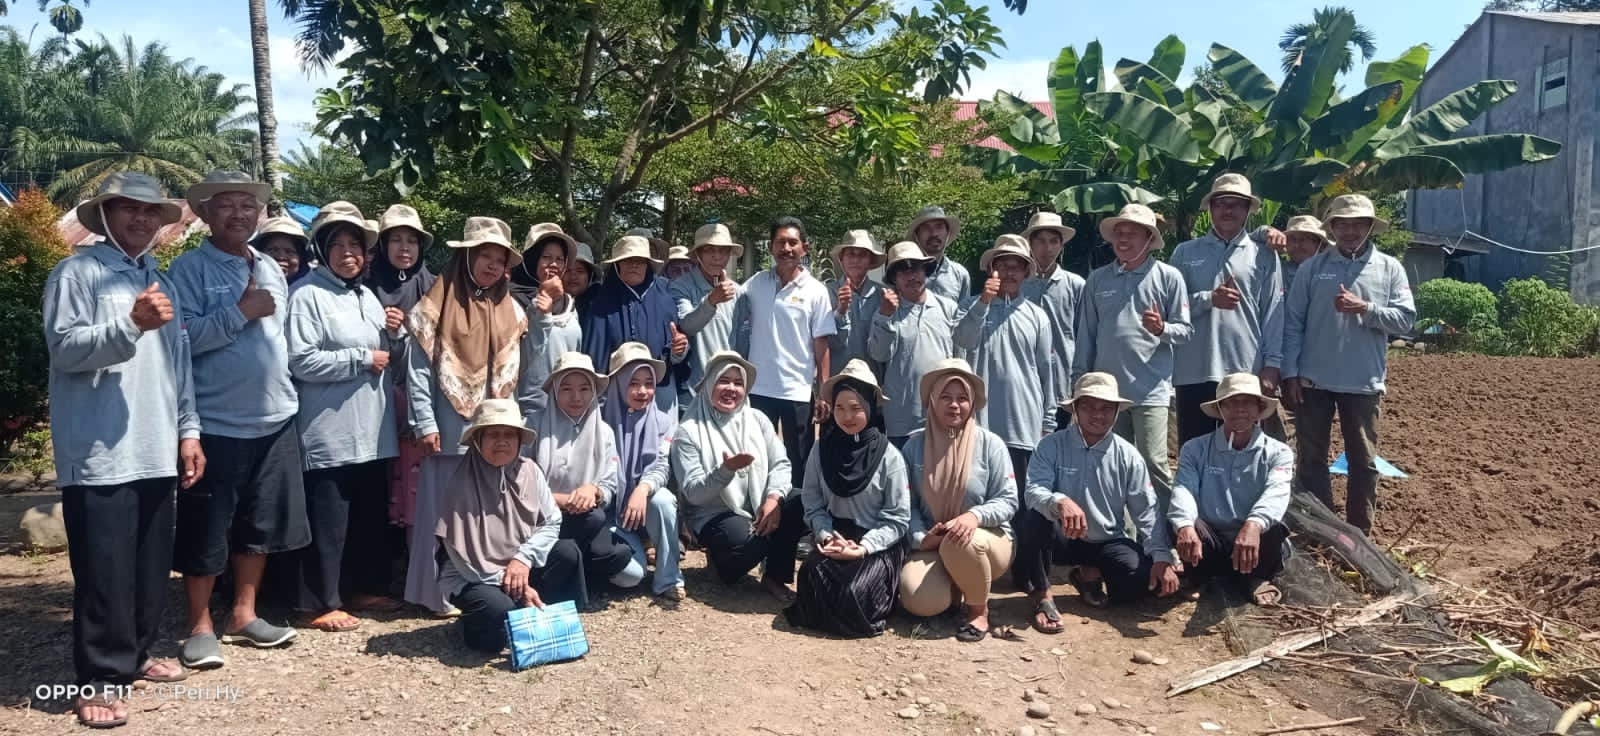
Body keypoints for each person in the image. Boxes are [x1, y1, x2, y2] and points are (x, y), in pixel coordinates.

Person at [45, 172, 204, 728]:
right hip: (99, 449)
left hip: (155, 444)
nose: (141, 219)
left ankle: (135, 653)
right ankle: (97, 677)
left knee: (149, 565)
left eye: (150, 211)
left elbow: (179, 366)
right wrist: (130, 324)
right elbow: (65, 349)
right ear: (106, 216)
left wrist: (189, 430)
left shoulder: (161, 279)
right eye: (128, 209)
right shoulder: (77, 273)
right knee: (104, 569)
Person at [166, 171, 307, 668]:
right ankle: (199, 624)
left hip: (275, 416)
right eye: (226, 205)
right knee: (207, 525)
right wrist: (240, 312)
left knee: (259, 523)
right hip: (216, 420)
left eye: (248, 206)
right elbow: (179, 341)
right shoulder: (187, 269)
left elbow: (280, 339)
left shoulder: (269, 266)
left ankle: (243, 614)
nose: (239, 214)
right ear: (205, 213)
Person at [279, 202, 401, 632]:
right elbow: (300, 361)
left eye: (356, 245)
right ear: (322, 250)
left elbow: (388, 356)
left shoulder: (367, 296)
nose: (349, 253)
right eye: (339, 245)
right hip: (328, 430)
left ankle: (362, 588)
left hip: (372, 428)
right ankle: (317, 602)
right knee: (328, 517)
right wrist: (360, 359)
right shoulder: (306, 295)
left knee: (366, 514)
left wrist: (395, 334)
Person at [403, 216, 531, 616]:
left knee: (481, 515)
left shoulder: (511, 309)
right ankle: (432, 593)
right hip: (447, 428)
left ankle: (479, 588)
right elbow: (419, 371)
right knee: (438, 513)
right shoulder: (435, 305)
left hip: (492, 433)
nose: (492, 265)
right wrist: (425, 422)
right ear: (467, 257)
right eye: (484, 255)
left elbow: (516, 375)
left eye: (499, 259)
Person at [1282, 194, 1415, 534]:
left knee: (1363, 461)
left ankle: (1359, 534)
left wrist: (1366, 309)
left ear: (1370, 227)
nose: (1350, 231)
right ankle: (1321, 529)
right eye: (1343, 224)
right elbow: (1293, 323)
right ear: (1332, 228)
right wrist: (1290, 373)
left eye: (1358, 224)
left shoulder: (1389, 268)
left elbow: (1405, 319)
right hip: (1313, 381)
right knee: (1311, 459)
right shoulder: (1312, 268)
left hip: (1363, 380)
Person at [1019, 373, 1177, 630]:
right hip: (1063, 536)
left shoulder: (1128, 455)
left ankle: (1088, 574)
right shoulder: (1050, 445)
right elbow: (1033, 491)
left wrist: (1161, 555)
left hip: (1106, 539)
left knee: (1143, 581)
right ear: (1075, 409)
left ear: (1116, 411)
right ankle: (1043, 595)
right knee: (1033, 518)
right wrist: (1059, 501)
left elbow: (1146, 511)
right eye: (1089, 406)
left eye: (1106, 408)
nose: (1097, 414)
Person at [436, 399, 586, 654]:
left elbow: (551, 521)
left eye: (509, 434)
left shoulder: (531, 471)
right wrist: (519, 587)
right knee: (496, 623)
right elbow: (465, 560)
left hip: (519, 566)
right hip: (474, 576)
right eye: (493, 434)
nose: (502, 441)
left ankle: (547, 621)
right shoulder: (458, 485)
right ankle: (472, 626)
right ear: (478, 440)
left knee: (567, 553)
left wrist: (523, 559)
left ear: (519, 440)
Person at [1073, 203, 1191, 509]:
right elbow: (1086, 337)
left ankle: (1169, 527)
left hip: (1151, 389)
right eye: (1119, 233)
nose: (1123, 239)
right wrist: (1079, 383)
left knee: (1153, 461)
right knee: (1113, 463)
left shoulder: (1169, 277)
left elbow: (1185, 331)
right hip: (1107, 393)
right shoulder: (1097, 280)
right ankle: (1121, 528)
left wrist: (1162, 328)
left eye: (1132, 234)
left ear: (1149, 239)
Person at [784, 360, 909, 637]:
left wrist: (863, 548)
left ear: (870, 407)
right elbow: (813, 501)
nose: (847, 416)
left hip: (876, 543)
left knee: (854, 592)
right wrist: (826, 535)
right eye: (840, 408)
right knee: (810, 576)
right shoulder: (821, 449)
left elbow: (898, 519)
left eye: (855, 408)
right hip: (836, 536)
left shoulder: (890, 457)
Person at [897, 359, 1018, 643]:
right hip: (934, 544)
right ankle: (957, 587)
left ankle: (978, 610)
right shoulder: (914, 447)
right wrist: (920, 538)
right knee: (918, 600)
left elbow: (1008, 499)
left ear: (972, 403)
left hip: (987, 541)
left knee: (961, 540)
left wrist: (974, 516)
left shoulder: (991, 445)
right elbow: (906, 505)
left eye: (962, 398)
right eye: (945, 397)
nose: (954, 405)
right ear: (932, 401)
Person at [671, 351, 807, 602]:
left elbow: (781, 463)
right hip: (714, 514)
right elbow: (693, 493)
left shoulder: (757, 420)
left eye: (738, 383)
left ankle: (774, 577)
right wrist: (725, 471)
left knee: (799, 501)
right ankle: (722, 564)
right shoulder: (688, 432)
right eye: (723, 381)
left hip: (760, 506)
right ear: (709, 384)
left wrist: (774, 499)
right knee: (743, 543)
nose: (731, 389)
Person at [1169, 174, 1285, 445]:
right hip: (1193, 368)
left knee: (1241, 450)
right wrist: (1209, 299)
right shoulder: (1185, 253)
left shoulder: (1263, 254)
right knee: (1194, 449)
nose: (1228, 210)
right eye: (1221, 203)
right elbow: (1170, 307)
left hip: (1244, 368)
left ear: (1247, 210)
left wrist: (1272, 365)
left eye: (1236, 204)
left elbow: (1273, 312)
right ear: (1210, 208)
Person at [1170, 374, 1294, 606]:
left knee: (1274, 528)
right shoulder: (1195, 449)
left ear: (1259, 409)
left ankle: (1256, 577)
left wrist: (1254, 524)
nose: (1239, 409)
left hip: (1255, 541)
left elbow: (1276, 493)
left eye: (1247, 402)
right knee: (1180, 522)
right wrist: (1185, 525)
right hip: (1212, 539)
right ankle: (1201, 576)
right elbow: (1183, 489)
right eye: (1231, 403)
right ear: (1220, 409)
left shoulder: (1279, 452)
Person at [731, 216, 835, 489]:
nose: (786, 248)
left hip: (796, 391)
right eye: (780, 242)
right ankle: (760, 508)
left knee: (798, 460)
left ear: (804, 248)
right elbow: (731, 306)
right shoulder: (755, 283)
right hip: (757, 388)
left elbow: (821, 344)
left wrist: (823, 390)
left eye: (792, 242)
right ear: (770, 247)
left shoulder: (816, 291)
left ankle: (797, 511)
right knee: (756, 458)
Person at [953, 234, 1056, 482]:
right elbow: (962, 340)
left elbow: (1045, 371)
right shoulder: (969, 306)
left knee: (1022, 497)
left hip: (1024, 426)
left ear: (1025, 272)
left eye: (1016, 266)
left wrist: (1048, 422)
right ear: (991, 269)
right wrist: (983, 302)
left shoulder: (1037, 316)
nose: (1010, 272)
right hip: (979, 425)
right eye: (1003, 265)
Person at [531, 352, 635, 594]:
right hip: (540, 517)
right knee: (594, 520)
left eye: (585, 389)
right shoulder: (534, 426)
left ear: (594, 392)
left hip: (583, 517)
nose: (576, 397)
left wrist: (594, 491)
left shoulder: (604, 432)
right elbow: (519, 483)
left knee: (623, 560)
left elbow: (610, 483)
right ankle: (553, 570)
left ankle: (570, 568)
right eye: (566, 388)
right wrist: (560, 500)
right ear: (554, 390)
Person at [366, 204, 437, 531]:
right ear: (382, 245)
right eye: (396, 239)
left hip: (417, 399)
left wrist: (410, 326)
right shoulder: (364, 284)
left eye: (412, 240)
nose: (404, 248)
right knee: (378, 478)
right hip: (371, 398)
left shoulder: (434, 287)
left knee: (413, 482)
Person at [602, 342, 685, 604]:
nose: (643, 391)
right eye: (633, 383)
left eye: (649, 384)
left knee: (663, 500)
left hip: (642, 507)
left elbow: (662, 466)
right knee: (630, 576)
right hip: (608, 514)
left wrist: (642, 488)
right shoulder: (599, 421)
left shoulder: (663, 422)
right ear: (617, 383)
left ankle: (669, 578)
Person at [582, 235, 689, 416]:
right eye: (627, 260)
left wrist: (678, 351)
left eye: (640, 261)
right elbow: (594, 356)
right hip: (613, 394)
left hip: (659, 391)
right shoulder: (600, 303)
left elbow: (675, 354)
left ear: (648, 265)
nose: (634, 265)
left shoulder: (665, 300)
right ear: (617, 265)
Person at [870, 241, 963, 446]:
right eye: (903, 271)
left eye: (916, 269)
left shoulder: (948, 308)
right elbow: (879, 355)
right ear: (894, 279)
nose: (912, 276)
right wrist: (885, 317)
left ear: (926, 271)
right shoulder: (885, 312)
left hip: (943, 413)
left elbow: (960, 360)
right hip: (901, 419)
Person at [1019, 211, 1084, 431]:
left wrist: (1079, 378)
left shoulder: (1075, 285)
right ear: (1030, 244)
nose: (1047, 248)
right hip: (1023, 378)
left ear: (1061, 245)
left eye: (1053, 241)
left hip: (1062, 381)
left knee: (1058, 439)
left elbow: (1083, 335)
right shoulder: (1018, 284)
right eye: (1040, 241)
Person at [670, 223, 744, 410]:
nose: (717, 257)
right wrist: (711, 301)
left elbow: (742, 342)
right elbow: (687, 326)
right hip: (692, 393)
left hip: (729, 392)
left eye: (723, 250)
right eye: (709, 250)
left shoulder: (739, 292)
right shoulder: (680, 287)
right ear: (697, 254)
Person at [513, 223, 583, 399]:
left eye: (560, 259)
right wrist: (541, 305)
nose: (553, 264)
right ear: (531, 258)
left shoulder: (568, 304)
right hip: (527, 404)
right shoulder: (512, 299)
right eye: (546, 257)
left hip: (566, 403)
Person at [825, 229, 886, 377]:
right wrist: (840, 311)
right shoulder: (826, 293)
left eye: (863, 254)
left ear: (871, 260)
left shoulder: (883, 295)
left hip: (874, 381)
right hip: (838, 380)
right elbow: (826, 343)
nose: (856, 259)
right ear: (841, 259)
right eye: (851, 254)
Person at [905, 205, 971, 301]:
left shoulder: (960, 274)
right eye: (926, 228)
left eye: (939, 227)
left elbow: (963, 310)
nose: (933, 233)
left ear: (947, 233)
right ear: (916, 235)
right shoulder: (902, 271)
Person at [252, 216, 311, 285]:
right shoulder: (244, 285)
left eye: (289, 251)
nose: (281, 257)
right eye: (273, 250)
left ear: (300, 257)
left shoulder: (312, 289)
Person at [1280, 216, 1329, 294]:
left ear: (1320, 244)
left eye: (1304, 239)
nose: (1296, 245)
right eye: (1292, 239)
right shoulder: (1277, 271)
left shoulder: (1331, 274)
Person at [565, 242, 601, 321]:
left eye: (580, 271)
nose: (573, 276)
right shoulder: (549, 302)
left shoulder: (600, 305)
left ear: (590, 275)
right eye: (567, 271)